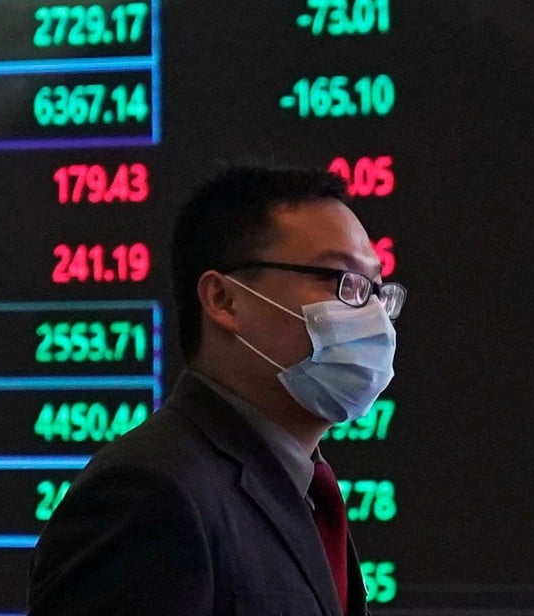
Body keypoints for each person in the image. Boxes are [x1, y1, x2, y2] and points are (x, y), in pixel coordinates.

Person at [27, 165, 405, 615]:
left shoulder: (301, 490)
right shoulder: (148, 495)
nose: (372, 314)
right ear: (224, 300)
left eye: (375, 289)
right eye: (342, 280)